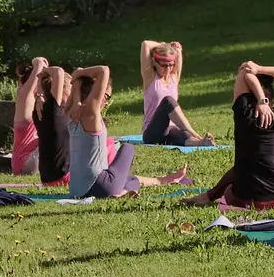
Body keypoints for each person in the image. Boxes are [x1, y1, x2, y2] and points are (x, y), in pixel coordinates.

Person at [66, 62, 188, 200]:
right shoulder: (90, 114)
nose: (106, 102)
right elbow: (104, 70)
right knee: (128, 148)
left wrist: (76, 93)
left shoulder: (70, 113)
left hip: (77, 190)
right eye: (106, 97)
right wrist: (78, 75)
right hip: (100, 186)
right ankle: (119, 192)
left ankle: (151, 184)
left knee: (132, 180)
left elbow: (77, 76)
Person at [200, 62, 274, 210]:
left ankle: (206, 197)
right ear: (272, 100)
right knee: (244, 167)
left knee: (236, 177)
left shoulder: (244, 113)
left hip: (245, 199)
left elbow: (243, 71)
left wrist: (260, 99)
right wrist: (259, 69)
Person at [139, 39, 213, 147]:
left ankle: (201, 142)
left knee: (183, 135)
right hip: (152, 133)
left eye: (171, 65)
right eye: (164, 65)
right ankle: (196, 134)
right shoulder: (150, 77)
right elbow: (145, 44)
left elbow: (178, 53)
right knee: (168, 101)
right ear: (155, 62)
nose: (168, 69)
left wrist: (177, 49)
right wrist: (166, 45)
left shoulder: (174, 78)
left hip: (171, 129)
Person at [34, 62, 73, 186]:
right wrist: (43, 72)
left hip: (49, 178)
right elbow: (58, 72)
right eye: (70, 89)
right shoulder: (52, 111)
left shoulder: (39, 109)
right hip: (61, 178)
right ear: (61, 89)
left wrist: (40, 87)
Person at [11, 55, 47, 177]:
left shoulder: (34, 100)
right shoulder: (25, 99)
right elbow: (38, 69)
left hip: (28, 160)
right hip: (25, 162)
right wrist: (37, 62)